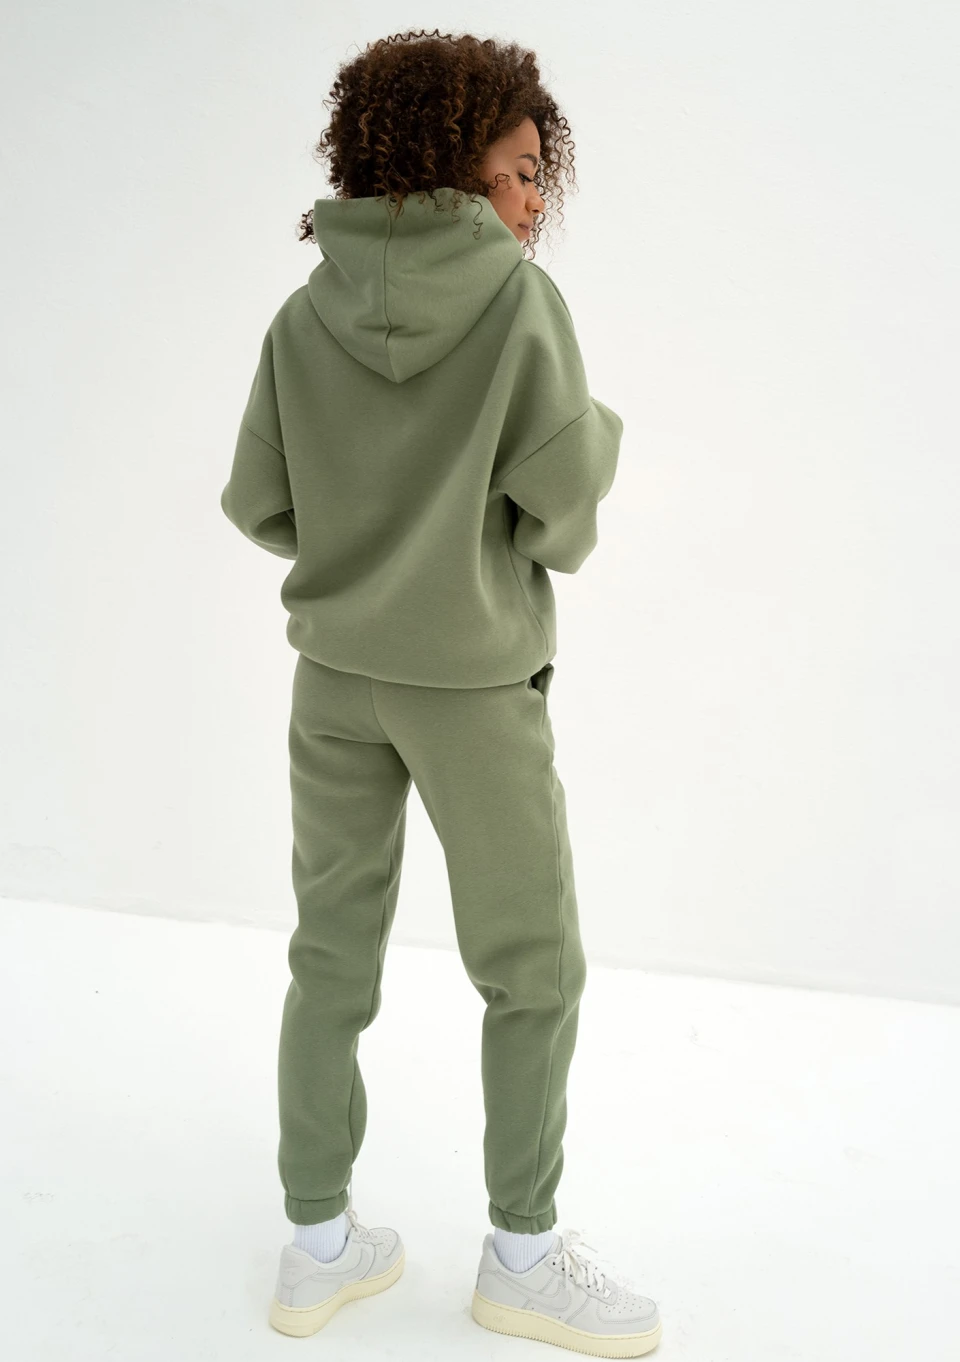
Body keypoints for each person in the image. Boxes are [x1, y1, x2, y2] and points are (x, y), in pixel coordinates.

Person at [220, 28, 662, 1358]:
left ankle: (316, 1251)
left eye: (539, 175)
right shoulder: (519, 305)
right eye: (519, 169)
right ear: (450, 158)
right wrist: (503, 524)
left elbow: (260, 502)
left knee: (328, 954)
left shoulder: (303, 313)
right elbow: (565, 509)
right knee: (533, 968)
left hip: (332, 681)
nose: (534, 198)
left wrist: (364, 553)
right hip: (470, 685)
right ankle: (522, 1257)